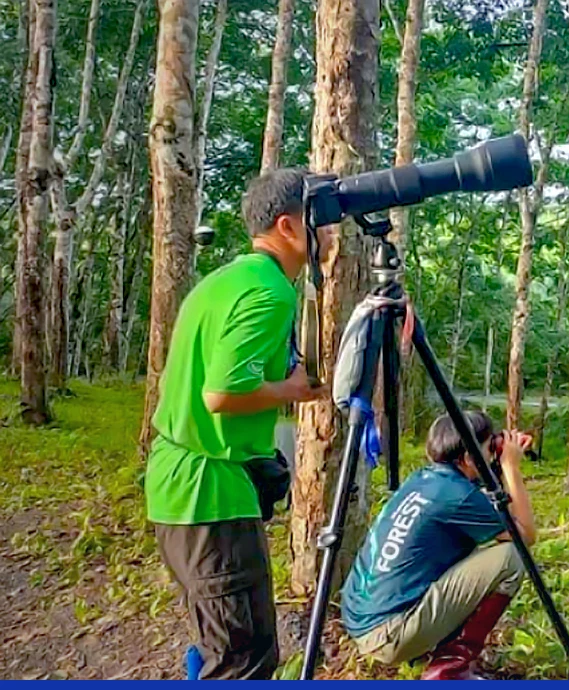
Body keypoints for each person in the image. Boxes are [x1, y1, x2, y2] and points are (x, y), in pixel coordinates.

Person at [144, 167, 331, 680]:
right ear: (290, 227)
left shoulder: (227, 279)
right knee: (243, 659)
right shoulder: (270, 292)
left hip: (180, 486)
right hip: (211, 495)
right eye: (326, 222)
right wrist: (293, 392)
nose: (333, 234)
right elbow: (222, 393)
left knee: (218, 643)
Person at [341, 411, 537, 680]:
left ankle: (433, 648)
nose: (494, 452)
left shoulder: (424, 480)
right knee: (511, 557)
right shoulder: (459, 497)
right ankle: (448, 671)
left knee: (474, 551)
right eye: (488, 447)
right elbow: (524, 535)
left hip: (362, 618)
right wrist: (511, 468)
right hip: (390, 634)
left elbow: (482, 497)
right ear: (469, 458)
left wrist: (494, 459)